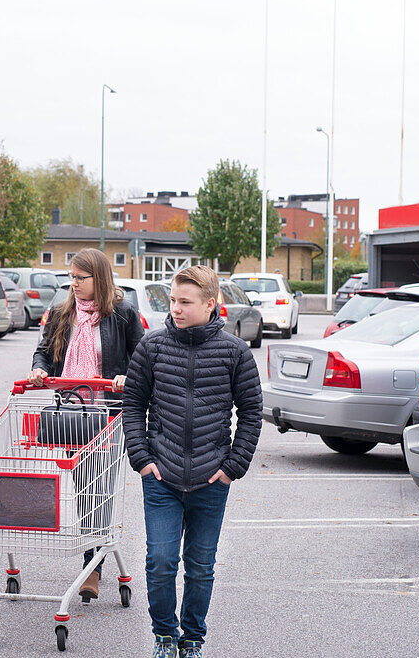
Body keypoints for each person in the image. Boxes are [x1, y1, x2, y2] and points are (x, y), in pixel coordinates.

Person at [122, 265, 262, 658]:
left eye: (185, 302)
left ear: (210, 304)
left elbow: (251, 412)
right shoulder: (152, 346)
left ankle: (192, 639)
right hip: (161, 476)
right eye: (173, 301)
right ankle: (164, 635)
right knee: (161, 561)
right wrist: (142, 458)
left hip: (210, 479)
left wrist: (232, 467)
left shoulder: (235, 352)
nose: (176, 309)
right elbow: (133, 404)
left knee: (200, 568)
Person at [28, 247, 144, 601]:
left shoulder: (122, 313)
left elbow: (142, 356)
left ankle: (92, 568)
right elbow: (44, 351)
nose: (74, 284)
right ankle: (92, 556)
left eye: (81, 278)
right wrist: (40, 370)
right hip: (71, 412)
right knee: (83, 487)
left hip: (107, 414)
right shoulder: (63, 311)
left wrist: (127, 376)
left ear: (100, 278)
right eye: (71, 278)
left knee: (100, 489)